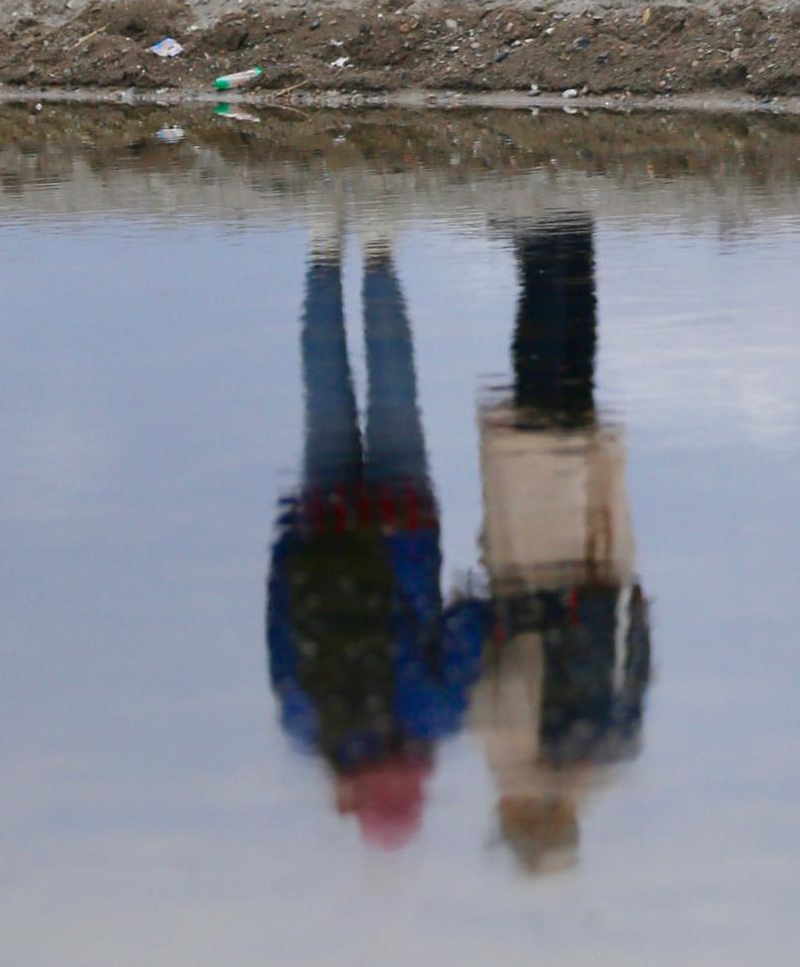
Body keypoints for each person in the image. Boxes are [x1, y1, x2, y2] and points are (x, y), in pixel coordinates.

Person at [266, 227, 483, 847]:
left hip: (403, 522)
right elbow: (284, 623)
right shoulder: (306, 728)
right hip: (325, 528)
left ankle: (381, 254)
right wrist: (289, 542)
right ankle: (321, 252)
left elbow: (467, 630)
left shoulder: (434, 718)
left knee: (394, 390)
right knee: (325, 391)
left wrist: (489, 610)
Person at [455, 218, 652, 874]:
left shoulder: (611, 752)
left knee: (570, 376)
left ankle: (569, 242)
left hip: (593, 549)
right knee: (538, 367)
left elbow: (640, 653)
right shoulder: (513, 753)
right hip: (534, 548)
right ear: (523, 819)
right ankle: (546, 235)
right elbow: (490, 672)